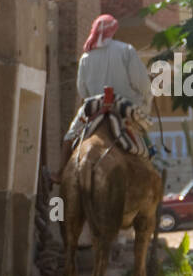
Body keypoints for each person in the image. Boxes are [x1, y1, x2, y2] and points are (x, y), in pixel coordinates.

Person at [52, 13, 153, 182]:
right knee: (143, 133)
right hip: (124, 106)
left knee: (70, 136)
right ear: (113, 30)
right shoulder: (125, 50)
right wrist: (146, 99)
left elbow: (82, 91)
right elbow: (142, 84)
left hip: (94, 107)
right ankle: (150, 175)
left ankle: (61, 172)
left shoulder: (86, 57)